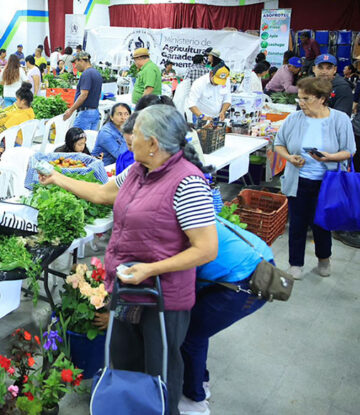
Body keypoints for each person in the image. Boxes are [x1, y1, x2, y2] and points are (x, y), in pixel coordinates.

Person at [40, 104, 218, 415]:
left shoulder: (187, 182)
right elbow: (101, 194)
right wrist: (57, 178)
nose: (128, 139)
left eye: (134, 134)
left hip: (161, 299)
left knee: (158, 376)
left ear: (153, 143)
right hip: (127, 291)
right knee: (124, 366)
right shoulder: (138, 170)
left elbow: (206, 249)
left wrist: (151, 269)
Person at [179, 219, 274, 415]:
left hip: (245, 281)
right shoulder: (194, 211)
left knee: (191, 335)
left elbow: (183, 279)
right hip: (261, 258)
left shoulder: (173, 226)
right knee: (199, 329)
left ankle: (195, 401)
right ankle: (199, 382)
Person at [274, 77, 355, 280]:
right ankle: (295, 263)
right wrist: (289, 158)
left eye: (306, 98)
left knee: (322, 224)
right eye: (299, 98)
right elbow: (279, 144)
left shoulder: (340, 119)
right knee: (297, 224)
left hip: (327, 183)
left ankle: (324, 258)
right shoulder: (294, 119)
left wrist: (329, 157)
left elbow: (349, 150)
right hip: (298, 181)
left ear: (321, 99)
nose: (301, 103)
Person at [0, 82, 35, 158]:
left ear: (23, 101)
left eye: (17, 100)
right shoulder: (31, 112)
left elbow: (3, 130)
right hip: (27, 145)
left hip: (15, 146)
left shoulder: (16, 116)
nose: (15, 102)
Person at [63, 51, 102, 130]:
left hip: (85, 114)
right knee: (90, 137)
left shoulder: (86, 74)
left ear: (81, 60)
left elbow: (84, 94)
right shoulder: (97, 73)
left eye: (75, 63)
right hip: (95, 112)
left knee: (78, 136)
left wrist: (71, 110)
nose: (75, 66)